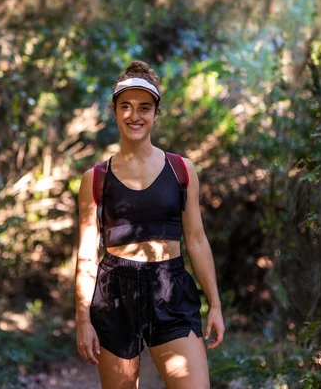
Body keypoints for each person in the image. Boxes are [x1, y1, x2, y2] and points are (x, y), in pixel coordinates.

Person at [75, 60, 225, 389]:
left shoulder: (182, 170)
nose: (135, 115)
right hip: (116, 290)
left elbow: (196, 240)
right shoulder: (95, 179)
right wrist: (83, 318)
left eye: (144, 107)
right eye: (126, 107)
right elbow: (87, 254)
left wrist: (215, 304)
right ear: (114, 112)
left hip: (170, 289)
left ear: (157, 114)